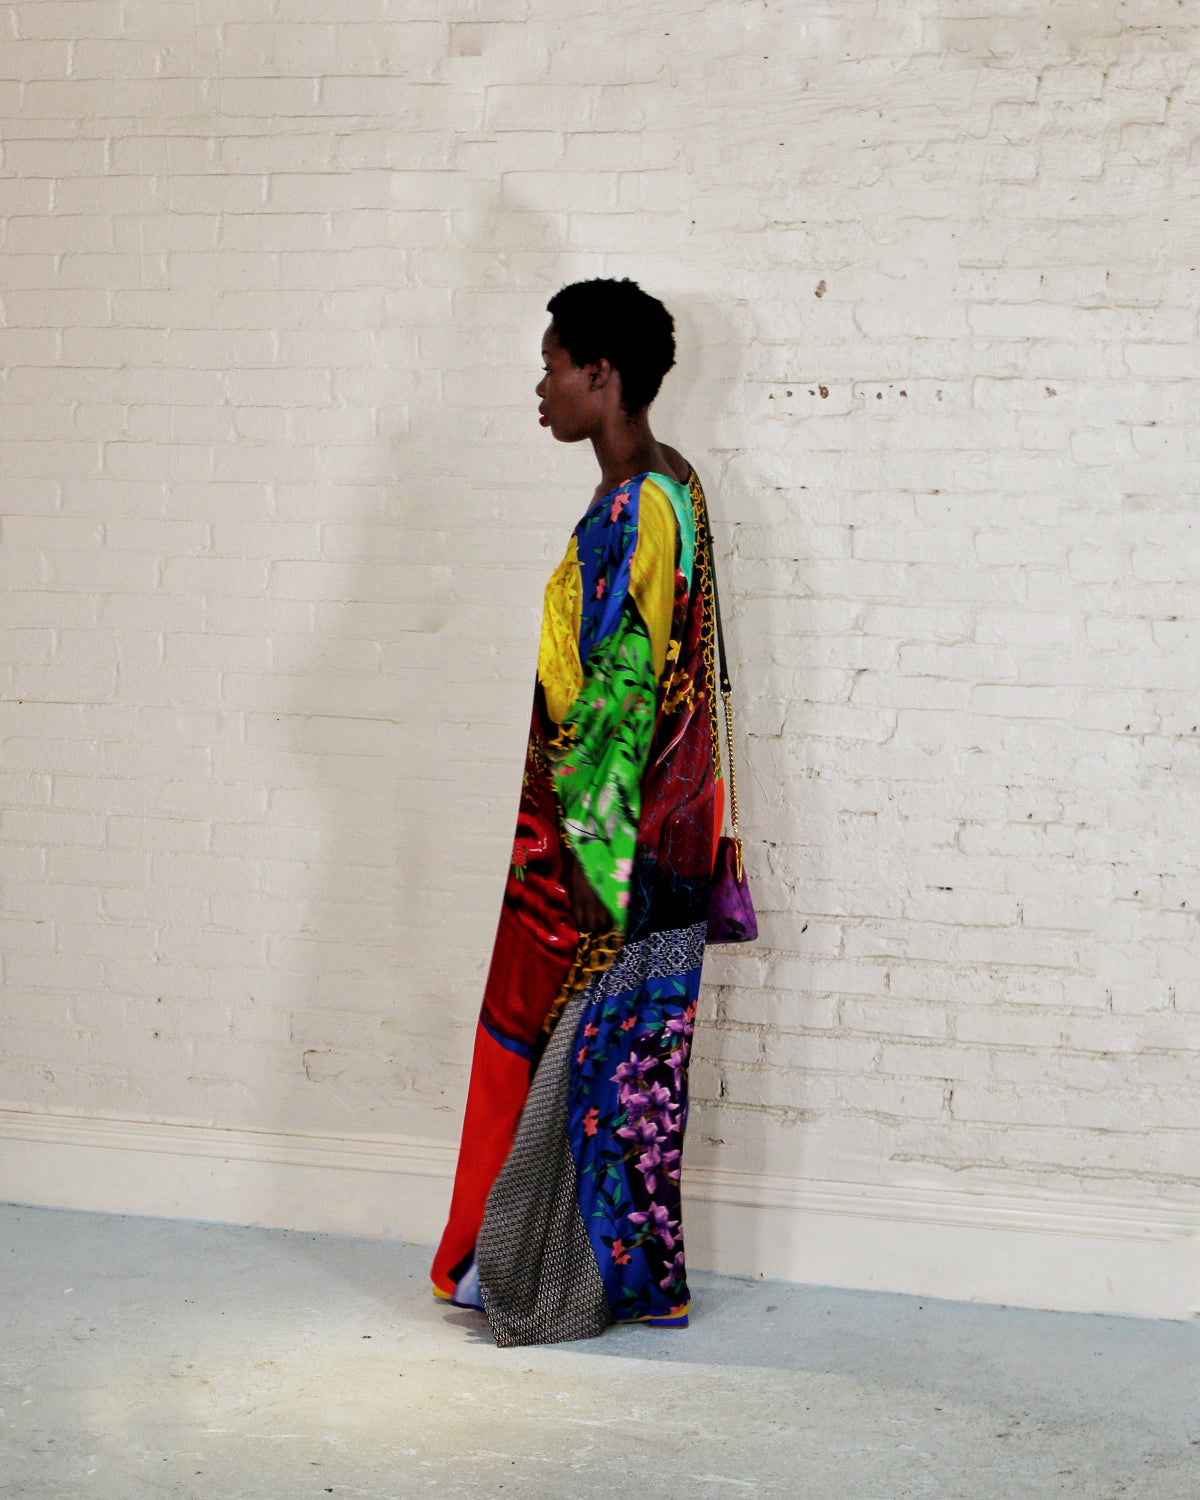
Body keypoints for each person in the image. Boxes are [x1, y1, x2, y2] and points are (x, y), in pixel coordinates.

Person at [430, 278, 723, 1347]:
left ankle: (531, 1279)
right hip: (667, 833)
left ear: (602, 375)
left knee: (585, 1062)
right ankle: (637, 1284)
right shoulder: (676, 485)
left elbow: (621, 692)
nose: (540, 387)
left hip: (606, 847)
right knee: (634, 1074)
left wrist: (590, 865)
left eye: (553, 366)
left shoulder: (636, 506)